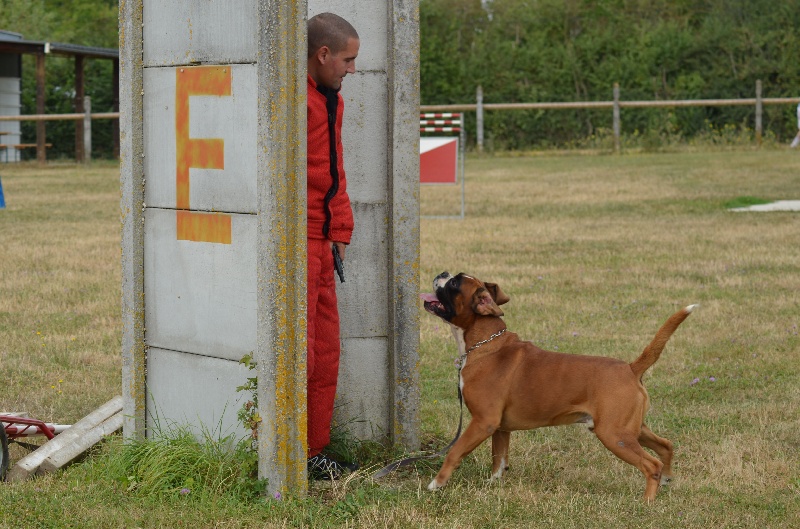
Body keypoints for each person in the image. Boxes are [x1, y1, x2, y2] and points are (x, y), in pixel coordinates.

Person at [305, 12, 360, 480]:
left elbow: (334, 171)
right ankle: (284, 450)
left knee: (325, 351)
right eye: (348, 59)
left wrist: (340, 230)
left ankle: (312, 451)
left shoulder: (330, 99)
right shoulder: (291, 100)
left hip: (322, 244)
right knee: (298, 353)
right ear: (323, 55)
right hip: (294, 242)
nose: (351, 69)